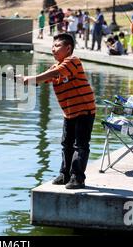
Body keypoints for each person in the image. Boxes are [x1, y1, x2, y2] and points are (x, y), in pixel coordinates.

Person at [18, 33, 96, 189]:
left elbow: (54, 74)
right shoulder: (55, 67)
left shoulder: (73, 61)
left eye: (57, 46)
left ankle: (77, 178)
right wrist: (22, 79)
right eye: (52, 46)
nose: (53, 49)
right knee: (66, 144)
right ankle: (64, 174)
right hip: (69, 112)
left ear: (68, 48)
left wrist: (31, 79)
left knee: (80, 145)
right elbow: (42, 79)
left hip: (84, 110)